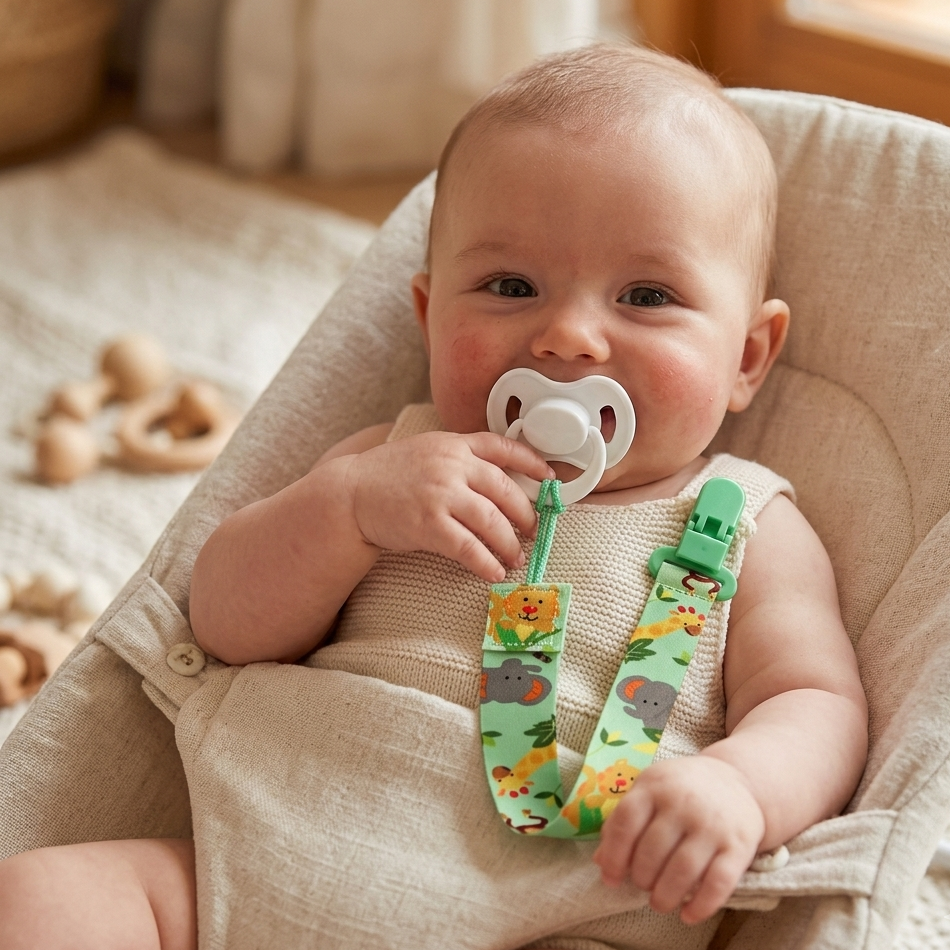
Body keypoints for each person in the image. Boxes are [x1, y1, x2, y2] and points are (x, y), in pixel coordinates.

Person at [0, 43, 867, 950]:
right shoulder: (391, 461)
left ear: (746, 358)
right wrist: (346, 513)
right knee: (38, 902)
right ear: (429, 317)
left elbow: (816, 702)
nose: (569, 336)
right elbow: (221, 625)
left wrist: (738, 785)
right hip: (257, 859)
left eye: (647, 296)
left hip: (554, 906)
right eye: (510, 286)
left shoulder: (745, 524)